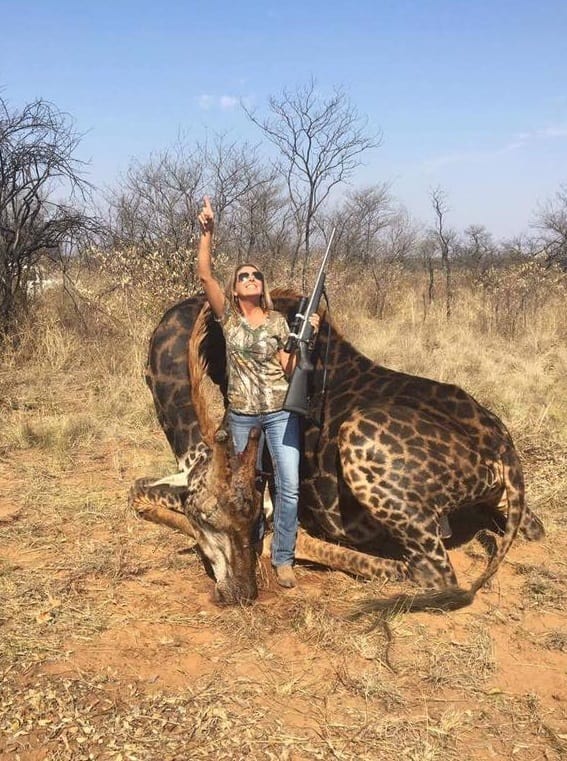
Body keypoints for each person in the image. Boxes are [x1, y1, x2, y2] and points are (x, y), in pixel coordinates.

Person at [196, 196, 318, 589]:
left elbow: (288, 368)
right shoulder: (229, 320)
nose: (251, 278)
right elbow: (205, 276)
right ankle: (247, 547)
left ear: (262, 286)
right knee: (243, 488)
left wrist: (305, 340)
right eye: (243, 276)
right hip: (242, 416)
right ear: (234, 289)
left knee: (289, 484)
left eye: (256, 275)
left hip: (280, 412)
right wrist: (207, 232)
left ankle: (283, 557)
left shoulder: (280, 322)